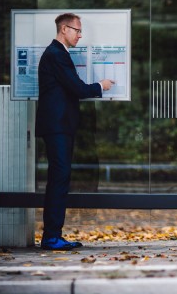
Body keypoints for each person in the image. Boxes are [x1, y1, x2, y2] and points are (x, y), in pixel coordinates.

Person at [35, 13, 114, 250]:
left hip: (60, 126)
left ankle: (52, 235)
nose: (80, 35)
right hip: (57, 127)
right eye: (77, 30)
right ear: (63, 29)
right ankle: (51, 237)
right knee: (59, 179)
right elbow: (77, 88)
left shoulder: (58, 54)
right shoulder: (56, 55)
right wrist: (102, 86)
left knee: (60, 178)